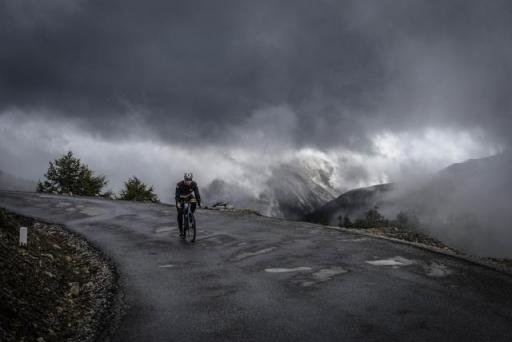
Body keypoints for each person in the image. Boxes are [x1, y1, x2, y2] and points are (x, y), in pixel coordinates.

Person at [175, 172, 201, 236]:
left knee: (194, 201)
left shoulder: (194, 184)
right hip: (180, 198)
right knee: (180, 214)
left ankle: (190, 214)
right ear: (184, 179)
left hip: (189, 196)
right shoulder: (179, 184)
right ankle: (181, 231)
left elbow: (197, 194)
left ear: (191, 179)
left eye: (190, 180)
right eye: (187, 180)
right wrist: (178, 203)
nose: (188, 181)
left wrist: (199, 203)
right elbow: (177, 195)